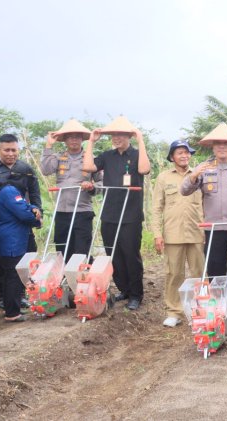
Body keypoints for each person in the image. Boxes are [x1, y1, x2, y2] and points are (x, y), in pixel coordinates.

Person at [181, 124, 227, 323]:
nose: (222, 147)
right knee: (215, 269)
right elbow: (184, 190)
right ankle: (219, 306)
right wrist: (193, 175)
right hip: (213, 230)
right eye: (218, 144)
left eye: (226, 143)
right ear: (213, 147)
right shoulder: (204, 167)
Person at [83, 116, 151, 311]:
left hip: (131, 214)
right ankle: (124, 289)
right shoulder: (107, 156)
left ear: (129, 135)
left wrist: (140, 139)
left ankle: (136, 294)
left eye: (121, 134)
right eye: (113, 135)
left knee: (130, 254)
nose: (116, 138)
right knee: (114, 254)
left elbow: (144, 170)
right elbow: (88, 167)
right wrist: (91, 141)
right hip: (110, 212)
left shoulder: (137, 154)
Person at [0, 133, 42, 309]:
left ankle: (20, 294)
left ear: (18, 150)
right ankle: (2, 294)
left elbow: (35, 194)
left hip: (23, 222)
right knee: (1, 260)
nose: (10, 154)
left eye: (14, 150)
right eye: (6, 150)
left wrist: (37, 211)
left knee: (27, 256)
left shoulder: (26, 168)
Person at [153, 140, 205, 327]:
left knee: (199, 273)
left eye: (187, 152)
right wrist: (157, 234)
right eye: (179, 153)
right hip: (173, 233)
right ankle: (174, 311)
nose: (184, 156)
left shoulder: (199, 175)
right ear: (172, 157)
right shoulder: (163, 178)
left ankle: (200, 309)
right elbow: (157, 208)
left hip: (197, 232)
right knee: (174, 273)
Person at [40, 119, 102, 262]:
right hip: (62, 212)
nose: (74, 140)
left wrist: (92, 187)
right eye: (70, 137)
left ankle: (82, 280)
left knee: (82, 250)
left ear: (82, 139)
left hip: (82, 211)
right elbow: (45, 170)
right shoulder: (57, 157)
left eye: (77, 137)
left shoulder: (91, 158)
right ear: (65, 140)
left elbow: (102, 181)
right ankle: (65, 280)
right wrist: (49, 145)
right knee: (62, 249)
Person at [0, 176, 43, 322]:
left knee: (12, 274)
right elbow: (24, 214)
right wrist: (37, 218)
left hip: (11, 237)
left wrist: (34, 208)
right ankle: (12, 313)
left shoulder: (8, 190)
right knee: (13, 274)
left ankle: (13, 308)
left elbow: (26, 207)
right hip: (11, 239)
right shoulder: (10, 191)